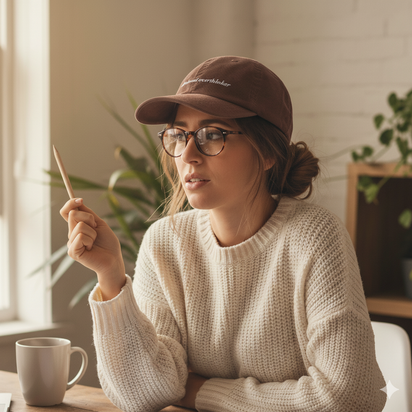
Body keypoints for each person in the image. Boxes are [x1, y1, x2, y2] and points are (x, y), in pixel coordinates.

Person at [60, 56, 387, 412]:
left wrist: (201, 392)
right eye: (178, 134)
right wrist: (110, 277)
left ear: (267, 153)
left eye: (212, 134)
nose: (188, 154)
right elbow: (142, 395)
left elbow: (350, 399)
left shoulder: (314, 237)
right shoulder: (165, 242)